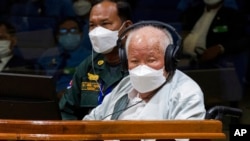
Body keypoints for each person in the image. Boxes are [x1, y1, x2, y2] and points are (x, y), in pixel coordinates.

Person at [83, 21, 206, 125]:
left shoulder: (186, 93)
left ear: (169, 59)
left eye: (151, 60)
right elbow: (90, 121)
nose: (142, 69)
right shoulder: (125, 84)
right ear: (126, 63)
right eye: (135, 61)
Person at [59, 0, 133, 120]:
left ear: (127, 27)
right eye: (92, 25)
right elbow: (66, 110)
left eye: (105, 23)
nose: (97, 31)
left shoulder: (141, 65)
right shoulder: (89, 65)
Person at [181, 0, 249, 87]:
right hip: (183, 57)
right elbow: (182, 30)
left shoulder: (232, 15)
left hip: (211, 60)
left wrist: (220, 48)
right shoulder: (192, 12)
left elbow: (242, 40)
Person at [37, 17, 91, 99]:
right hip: (47, 99)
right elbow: (37, 78)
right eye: (63, 31)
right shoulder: (48, 55)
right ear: (58, 36)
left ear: (81, 34)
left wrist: (72, 92)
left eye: (73, 30)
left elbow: (95, 86)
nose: (69, 34)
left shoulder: (90, 58)